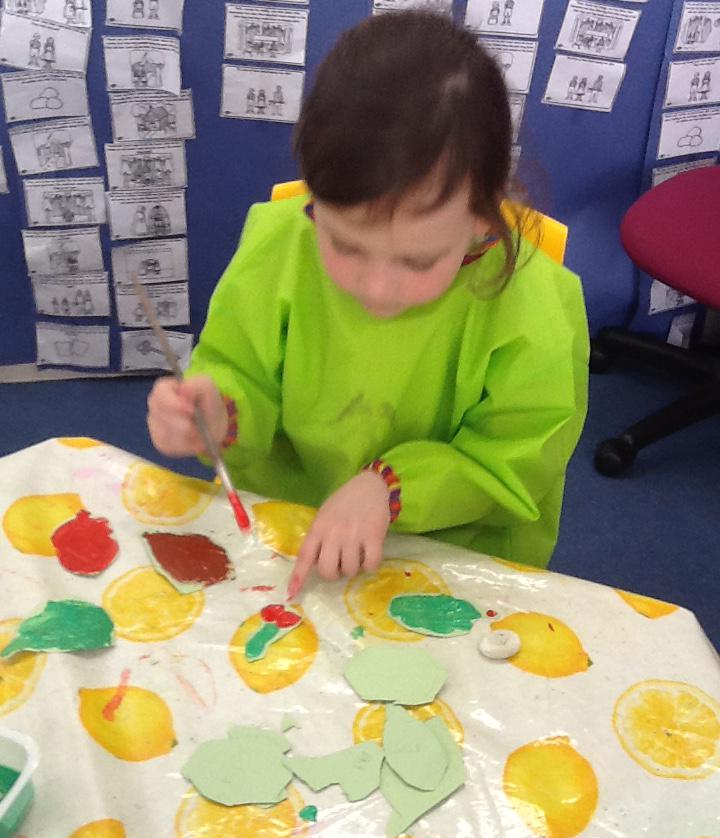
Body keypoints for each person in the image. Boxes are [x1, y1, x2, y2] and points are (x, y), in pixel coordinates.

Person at [147, 11, 589, 598]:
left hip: (449, 551)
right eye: (346, 245)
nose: (378, 289)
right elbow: (239, 368)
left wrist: (389, 488)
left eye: (417, 261)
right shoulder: (280, 243)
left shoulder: (535, 304)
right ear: (314, 194)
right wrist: (218, 412)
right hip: (293, 532)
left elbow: (515, 460)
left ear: (485, 213)